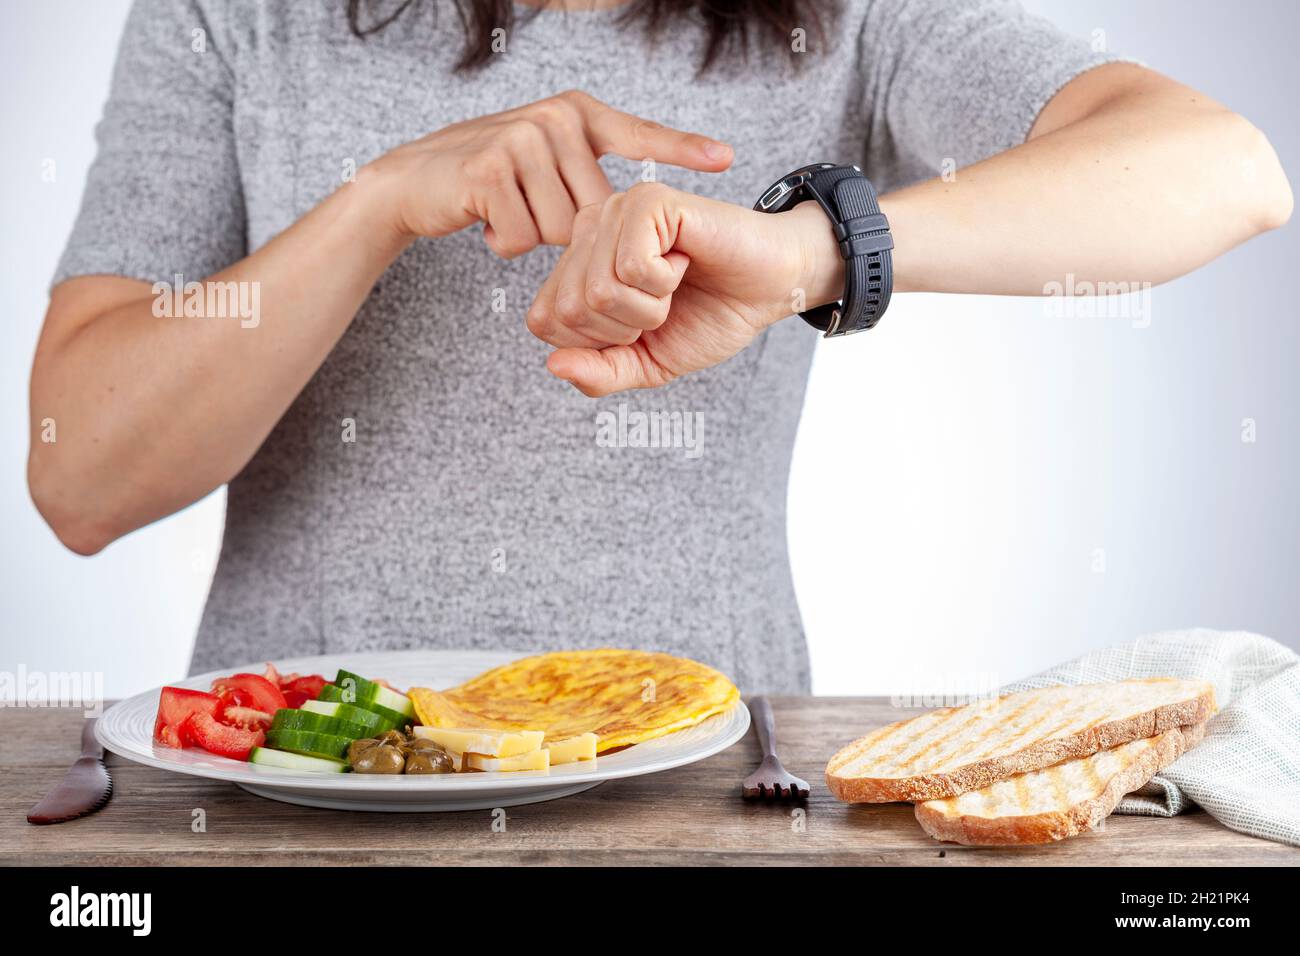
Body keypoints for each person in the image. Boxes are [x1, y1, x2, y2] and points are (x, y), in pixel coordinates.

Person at [28, 0, 1292, 693]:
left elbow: (1219, 169)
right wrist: (373, 206)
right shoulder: (236, 17)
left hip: (698, 797)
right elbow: (80, 475)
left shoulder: (846, 19)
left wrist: (812, 249)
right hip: (289, 785)